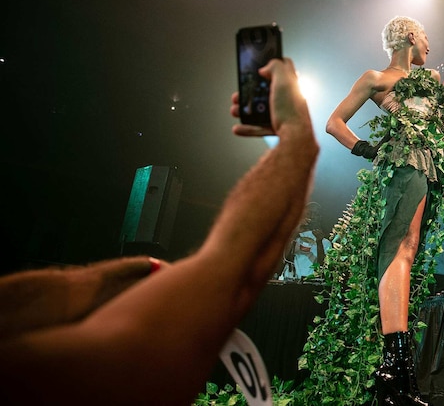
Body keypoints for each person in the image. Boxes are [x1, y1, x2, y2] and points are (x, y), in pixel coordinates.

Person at [0, 57, 318, 405]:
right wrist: (296, 138)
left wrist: (146, 272)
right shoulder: (38, 372)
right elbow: (230, 271)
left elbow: (41, 301)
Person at [299, 16, 444, 405]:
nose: (429, 44)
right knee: (399, 249)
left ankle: (399, 375)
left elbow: (438, 123)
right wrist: (368, 150)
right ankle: (395, 369)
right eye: (425, 36)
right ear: (409, 35)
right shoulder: (376, 77)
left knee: (408, 249)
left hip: (425, 164)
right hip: (403, 164)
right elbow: (334, 122)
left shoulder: (433, 78)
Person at [280, 202, 331, 280]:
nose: (312, 216)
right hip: (289, 280)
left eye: (315, 214)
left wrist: (319, 242)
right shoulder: (294, 236)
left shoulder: (325, 242)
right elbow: (283, 258)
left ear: (320, 217)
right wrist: (295, 232)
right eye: (309, 213)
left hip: (309, 283)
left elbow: (322, 266)